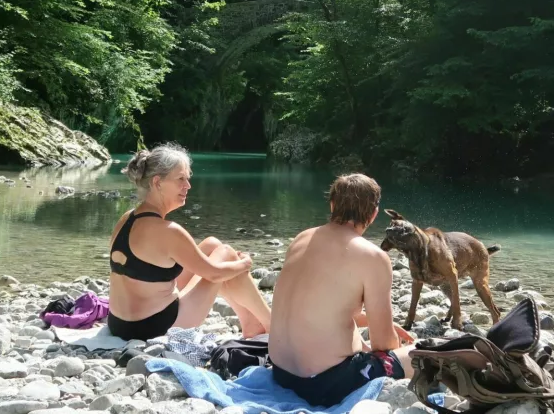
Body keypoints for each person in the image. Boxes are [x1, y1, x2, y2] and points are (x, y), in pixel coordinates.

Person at [268, 173, 416, 407]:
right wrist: (395, 351)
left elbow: (320, 305)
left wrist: (367, 320)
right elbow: (383, 344)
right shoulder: (373, 256)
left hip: (281, 374)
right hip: (323, 386)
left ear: (332, 204)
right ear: (374, 214)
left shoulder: (301, 238)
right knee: (420, 354)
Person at [107, 142, 271, 341]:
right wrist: (245, 263)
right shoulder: (168, 232)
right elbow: (214, 273)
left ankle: (250, 323)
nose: (188, 186)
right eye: (180, 179)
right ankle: (270, 323)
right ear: (157, 183)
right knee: (226, 253)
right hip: (152, 327)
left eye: (188, 178)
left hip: (118, 323)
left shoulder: (126, 218)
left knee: (211, 244)